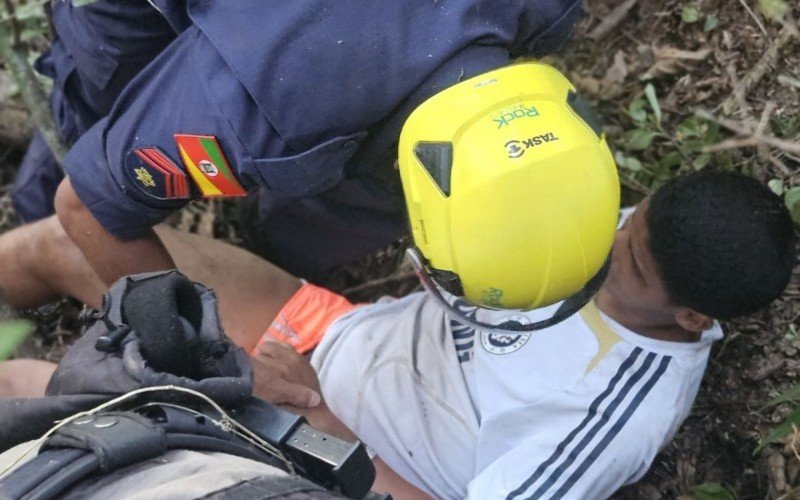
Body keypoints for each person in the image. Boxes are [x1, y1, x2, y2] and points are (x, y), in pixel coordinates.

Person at [2, 168, 795, 498]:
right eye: (628, 223)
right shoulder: (621, 227)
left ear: (693, 318)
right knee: (70, 234)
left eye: (632, 268)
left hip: (317, 441)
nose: (607, 249)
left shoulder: (602, 419)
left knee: (25, 390)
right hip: (331, 332)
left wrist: (306, 427)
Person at [12, 0, 583, 283]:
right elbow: (87, 203)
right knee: (101, 109)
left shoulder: (550, 9)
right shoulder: (246, 110)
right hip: (149, 19)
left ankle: (275, 256)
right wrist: (184, 342)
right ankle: (24, 227)